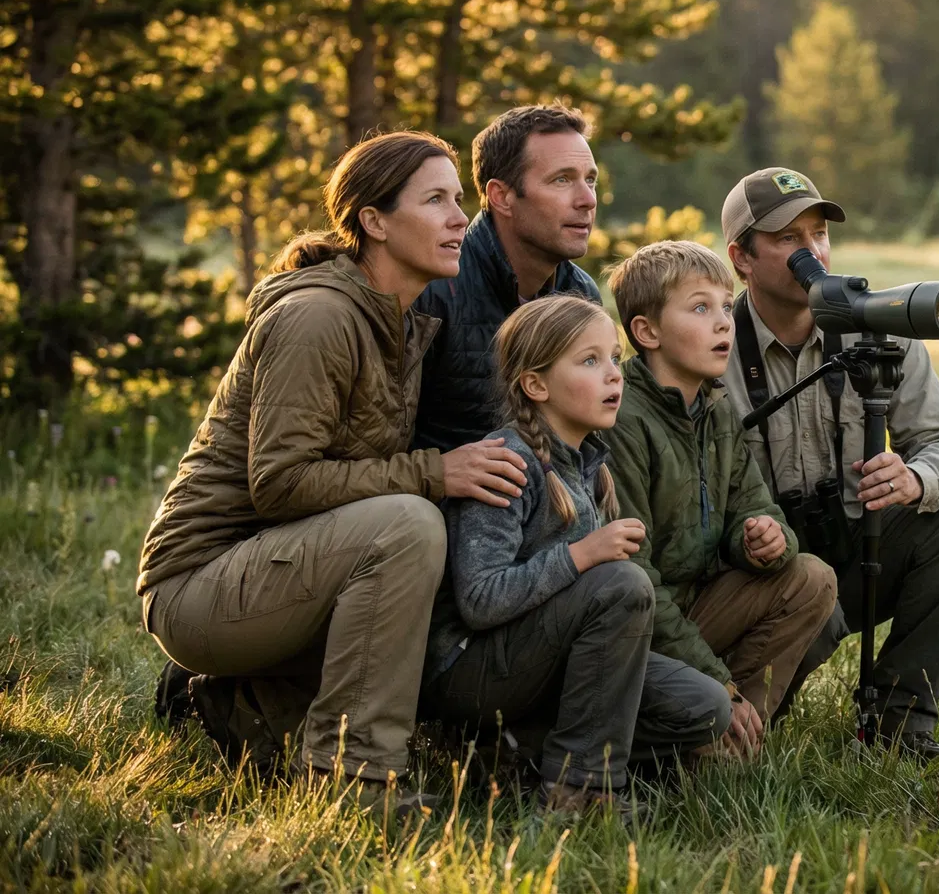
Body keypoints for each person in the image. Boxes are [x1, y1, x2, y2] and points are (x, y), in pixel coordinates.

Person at [139, 131, 533, 811]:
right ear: (374, 222)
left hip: (278, 570)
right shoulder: (319, 318)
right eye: (434, 200)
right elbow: (282, 482)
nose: (455, 219)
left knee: (436, 534)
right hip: (198, 585)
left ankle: (250, 702)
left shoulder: (402, 322)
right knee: (409, 523)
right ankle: (352, 780)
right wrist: (434, 473)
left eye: (458, 200)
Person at [721, 167, 939, 762]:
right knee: (735, 743)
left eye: (818, 234)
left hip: (864, 550)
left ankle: (904, 727)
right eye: (789, 239)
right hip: (773, 576)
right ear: (741, 258)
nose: (812, 253)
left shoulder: (878, 331)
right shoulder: (711, 345)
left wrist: (914, 477)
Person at [421, 294, 658, 815]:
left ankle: (523, 752)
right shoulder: (507, 463)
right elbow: (480, 600)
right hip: (469, 671)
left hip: (535, 656)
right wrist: (584, 554)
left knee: (699, 708)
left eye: (615, 358)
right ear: (535, 384)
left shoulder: (590, 463)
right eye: (590, 361)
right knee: (622, 585)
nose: (614, 375)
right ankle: (580, 789)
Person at [604, 241, 839, 763]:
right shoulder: (624, 421)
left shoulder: (717, 409)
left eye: (726, 305)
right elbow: (634, 583)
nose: (723, 323)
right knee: (696, 670)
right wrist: (715, 679)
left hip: (696, 607)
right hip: (635, 627)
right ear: (647, 332)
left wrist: (763, 539)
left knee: (810, 576)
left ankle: (729, 745)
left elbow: (756, 506)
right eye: (699, 307)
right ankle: (701, 724)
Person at [413, 104, 602, 454]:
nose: (588, 199)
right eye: (562, 180)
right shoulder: (431, 292)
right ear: (502, 196)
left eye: (589, 179)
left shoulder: (580, 295)